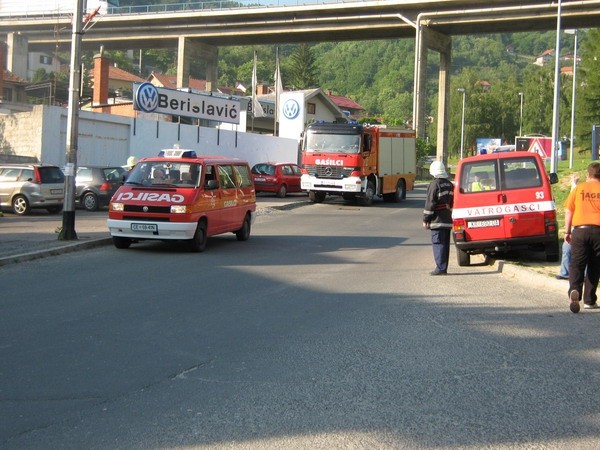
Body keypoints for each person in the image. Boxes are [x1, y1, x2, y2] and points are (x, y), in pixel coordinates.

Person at [564, 162, 600, 313]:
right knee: (595, 265)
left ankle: (575, 291)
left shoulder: (579, 188)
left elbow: (568, 210)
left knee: (577, 263)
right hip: (599, 231)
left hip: (580, 230)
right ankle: (589, 300)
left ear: (588, 175)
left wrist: (567, 231)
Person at [423, 160, 454, 275]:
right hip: (447, 219)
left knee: (438, 244)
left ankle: (440, 268)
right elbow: (452, 201)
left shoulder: (434, 185)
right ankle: (443, 267)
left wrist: (426, 219)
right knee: (445, 245)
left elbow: (430, 203)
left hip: (437, 220)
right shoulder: (450, 184)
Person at [556, 173, 579, 280]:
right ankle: (565, 272)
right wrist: (574, 184)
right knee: (567, 248)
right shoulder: (578, 191)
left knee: (583, 250)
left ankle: (584, 275)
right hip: (576, 225)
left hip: (582, 226)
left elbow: (568, 211)